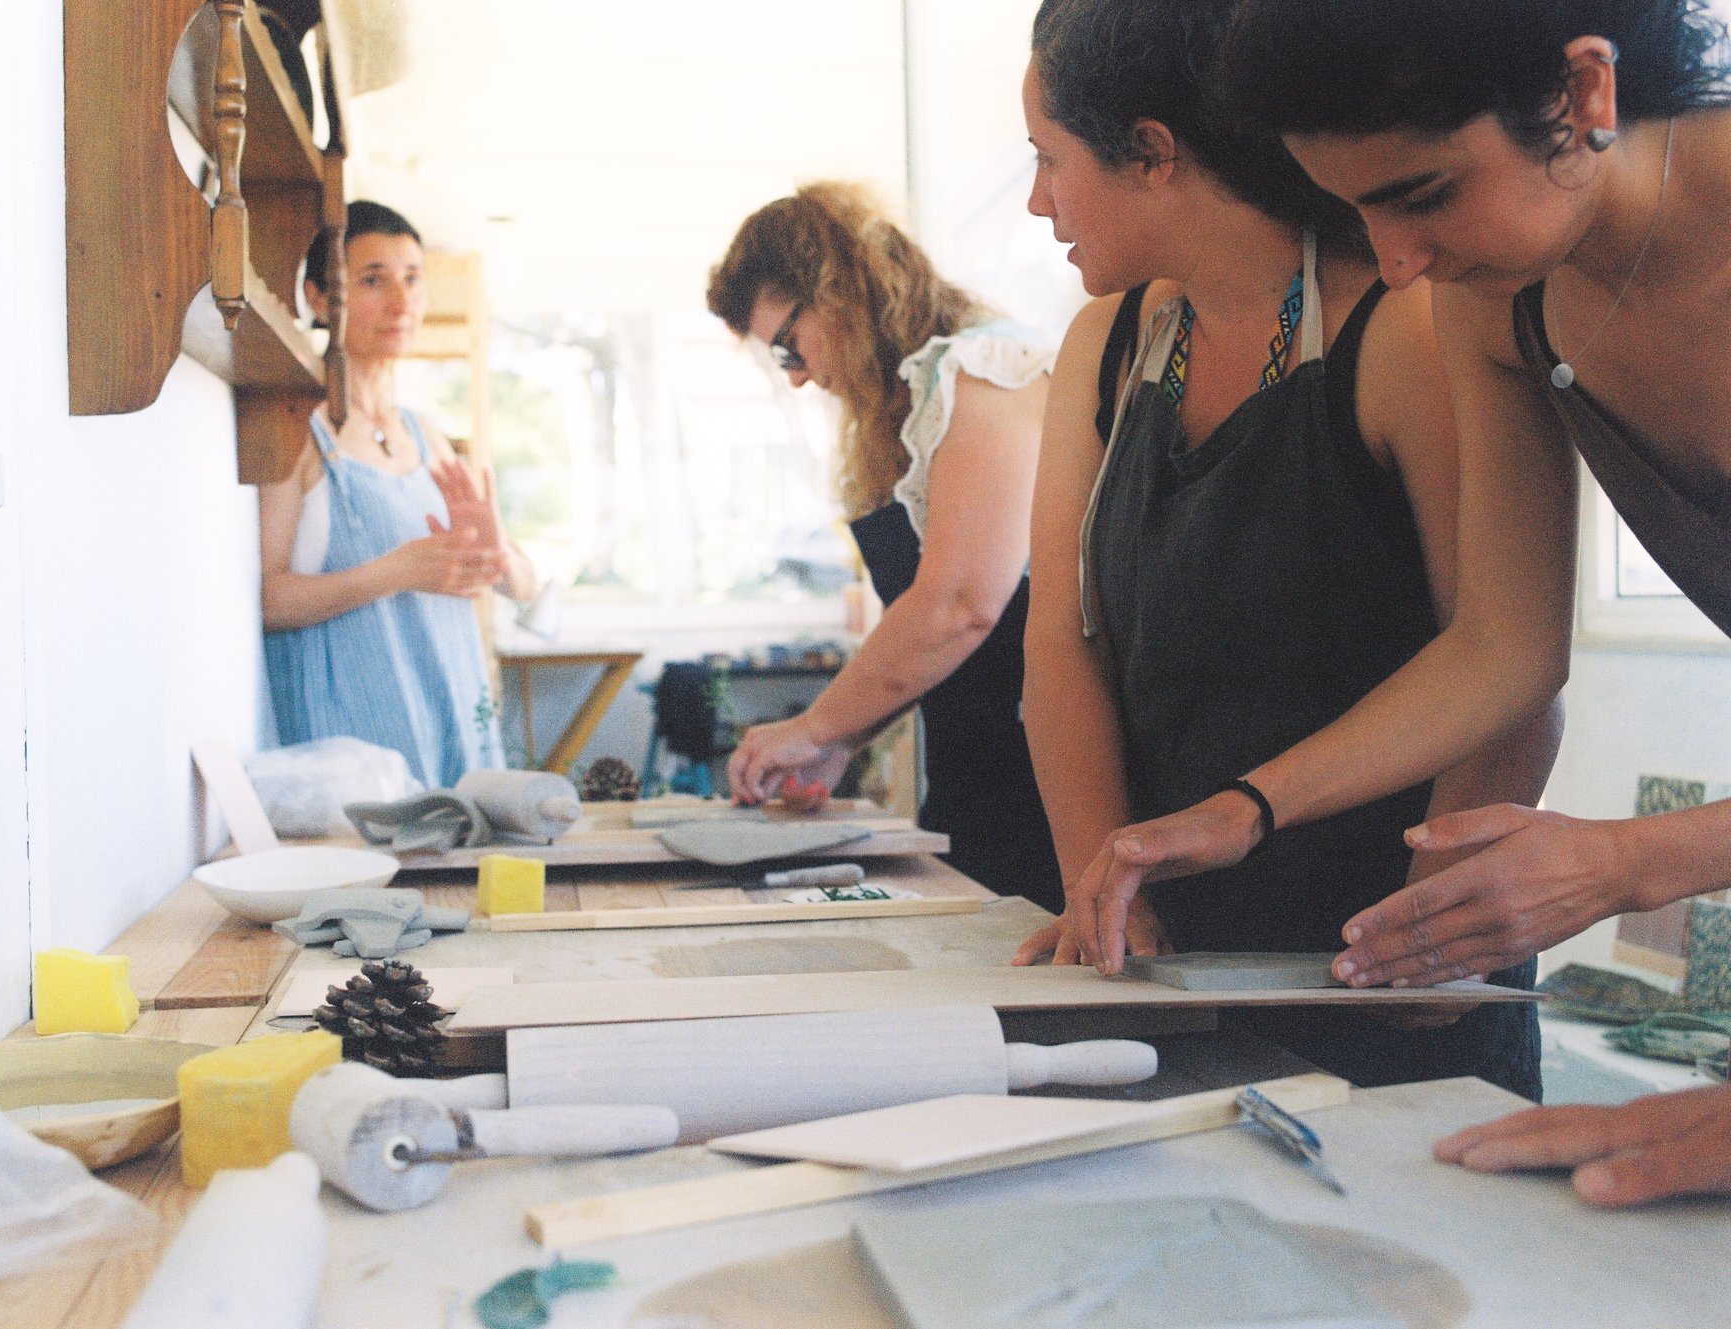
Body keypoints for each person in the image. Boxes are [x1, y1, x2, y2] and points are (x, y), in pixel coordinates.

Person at [1073, 0, 1731, 1204]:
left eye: (1422, 194)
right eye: (1359, 206)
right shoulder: (1507, 296)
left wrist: (1632, 860)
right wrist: (1248, 807)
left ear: (1585, 95)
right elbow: (1503, 647)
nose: (1395, 263)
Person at [1008, 0, 1562, 1098]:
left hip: (1379, 964)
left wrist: (1418, 935)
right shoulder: (1109, 344)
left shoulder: (1407, 328)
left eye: (1049, 159)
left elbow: (1507, 669)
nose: (1037, 202)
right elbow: (1062, 644)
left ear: (1154, 153)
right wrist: (1107, 886)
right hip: (1174, 957)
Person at [705, 183, 1064, 912]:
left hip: (1052, 790)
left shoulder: (987, 371)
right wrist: (844, 736)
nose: (798, 376)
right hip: (978, 781)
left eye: (787, 346)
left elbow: (962, 604)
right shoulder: (916, 400)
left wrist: (814, 723)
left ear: (838, 291)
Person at [259, 201, 535, 787]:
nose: (402, 301)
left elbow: (523, 587)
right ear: (317, 298)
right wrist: (396, 570)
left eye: (413, 279)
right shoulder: (296, 431)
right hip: (358, 748)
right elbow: (269, 601)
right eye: (372, 280)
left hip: (454, 716)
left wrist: (497, 553)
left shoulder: (427, 435)